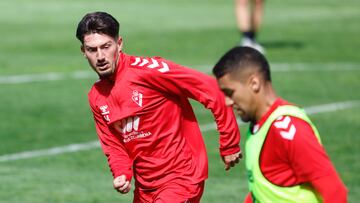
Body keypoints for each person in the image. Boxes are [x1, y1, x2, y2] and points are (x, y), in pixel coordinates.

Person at [75, 11, 242, 202]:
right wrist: (121, 172)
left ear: (119, 44)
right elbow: (113, 144)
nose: (100, 56)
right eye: (92, 49)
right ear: (83, 51)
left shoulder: (149, 71)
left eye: (106, 47)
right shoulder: (96, 96)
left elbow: (211, 89)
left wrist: (229, 143)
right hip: (145, 187)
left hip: (181, 178)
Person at [212, 46, 347, 203]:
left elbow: (335, 192)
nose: (227, 102)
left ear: (254, 83)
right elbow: (262, 190)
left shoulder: (289, 129)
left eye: (230, 93)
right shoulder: (258, 127)